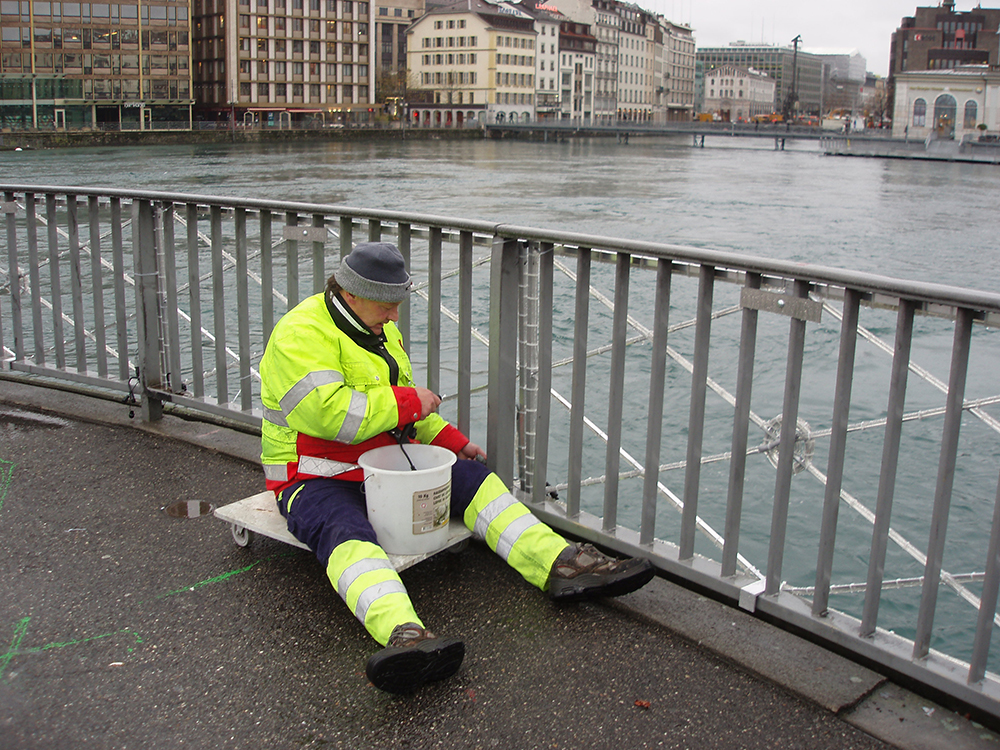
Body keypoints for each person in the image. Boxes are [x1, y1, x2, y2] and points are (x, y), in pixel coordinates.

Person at [259, 242, 655, 694]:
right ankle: (404, 635)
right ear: (352, 295)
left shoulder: (376, 327)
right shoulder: (299, 334)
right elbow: (328, 416)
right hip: (313, 476)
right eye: (387, 306)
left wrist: (450, 441)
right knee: (345, 531)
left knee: (475, 481)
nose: (394, 317)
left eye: (396, 306)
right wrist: (410, 401)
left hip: (382, 468)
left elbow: (400, 411)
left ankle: (561, 564)